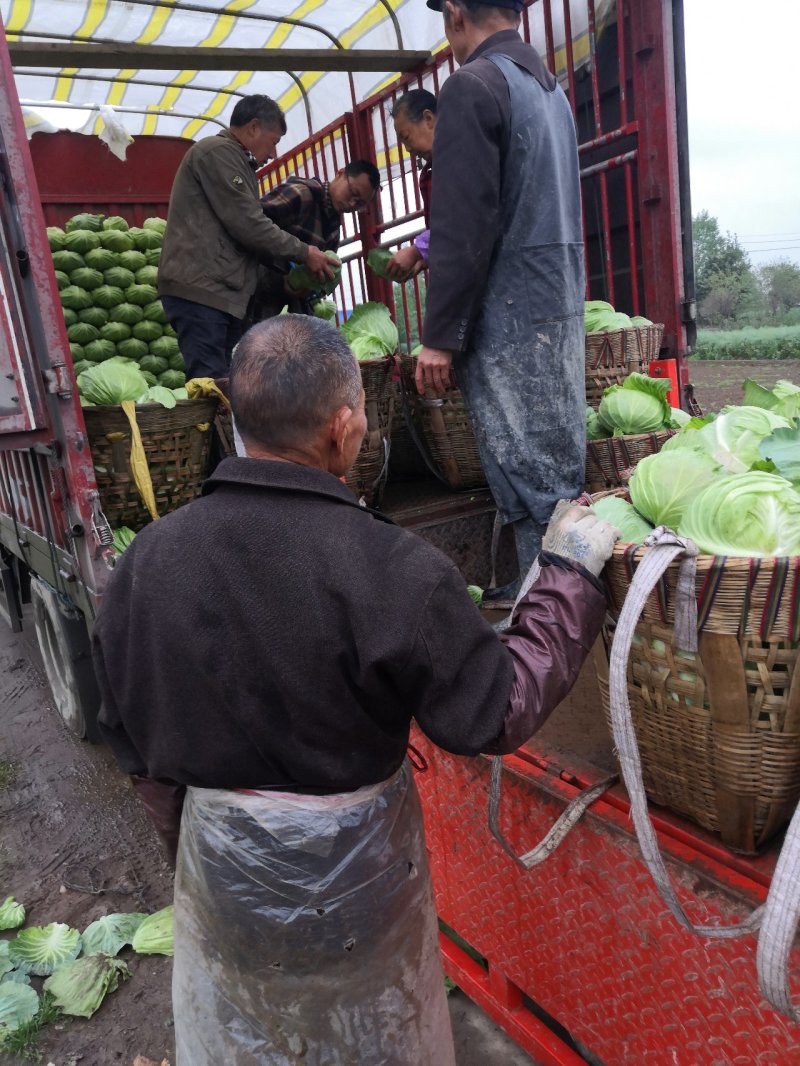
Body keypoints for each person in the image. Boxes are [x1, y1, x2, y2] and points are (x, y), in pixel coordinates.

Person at [92, 315, 617, 1066]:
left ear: (234, 425)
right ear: (342, 429)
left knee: (252, 1038)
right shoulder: (396, 568)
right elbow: (495, 710)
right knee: (369, 1041)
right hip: (360, 896)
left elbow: (129, 737)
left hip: (223, 887)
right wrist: (566, 575)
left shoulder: (146, 563)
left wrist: (202, 851)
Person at [418, 0, 587, 604]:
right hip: (556, 305)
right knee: (548, 467)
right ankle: (536, 586)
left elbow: (463, 224)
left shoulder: (473, 85)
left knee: (527, 468)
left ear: (457, 12)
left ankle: (554, 611)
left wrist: (439, 335)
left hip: (508, 314)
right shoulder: (552, 93)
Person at [158, 94, 336, 379]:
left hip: (218, 292)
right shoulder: (217, 152)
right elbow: (248, 224)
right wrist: (305, 252)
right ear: (253, 127)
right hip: (203, 290)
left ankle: (224, 425)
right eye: (275, 141)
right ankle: (216, 425)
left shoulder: (233, 160)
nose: (274, 153)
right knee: (212, 382)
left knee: (225, 382)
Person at [251, 160, 381, 319]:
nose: (352, 203)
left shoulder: (334, 227)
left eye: (360, 204)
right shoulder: (300, 194)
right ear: (340, 174)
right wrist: (283, 279)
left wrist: (317, 287)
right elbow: (251, 228)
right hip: (256, 304)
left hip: (289, 315)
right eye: (353, 193)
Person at [386, 89, 437, 280]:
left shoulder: (461, 156)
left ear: (428, 119)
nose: (408, 148)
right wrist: (425, 258)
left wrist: (417, 250)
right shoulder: (430, 172)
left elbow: (462, 218)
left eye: (406, 137)